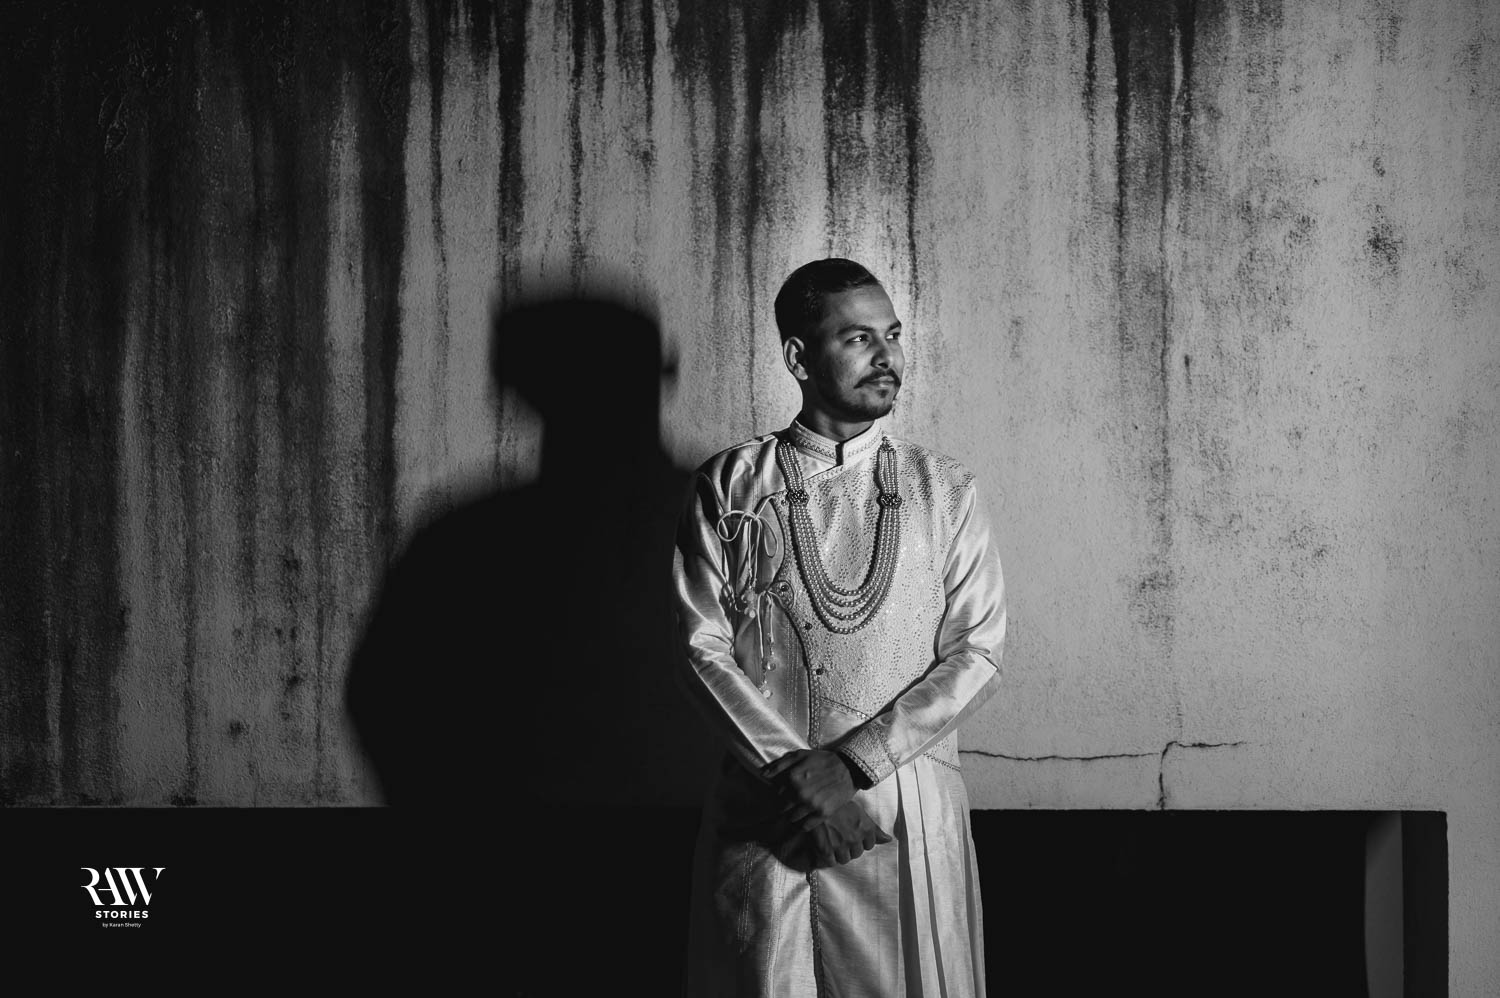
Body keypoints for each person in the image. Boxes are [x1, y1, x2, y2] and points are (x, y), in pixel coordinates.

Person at [672, 258, 1007, 996]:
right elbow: (700, 647)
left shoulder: (944, 489)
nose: (886, 356)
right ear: (799, 357)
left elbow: (979, 651)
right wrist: (799, 780)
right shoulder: (731, 485)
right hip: (770, 806)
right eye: (858, 338)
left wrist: (851, 766)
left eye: (892, 334)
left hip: (902, 806)